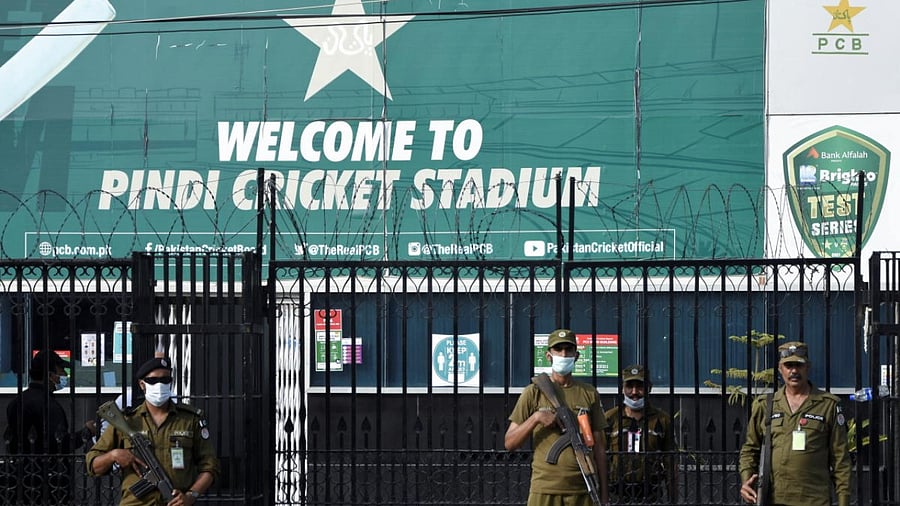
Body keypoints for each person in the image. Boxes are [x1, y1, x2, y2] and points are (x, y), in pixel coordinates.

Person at [86, 356, 220, 505]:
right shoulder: (127, 421)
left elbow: (210, 466)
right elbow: (93, 465)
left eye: (165, 380)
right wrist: (113, 455)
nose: (159, 385)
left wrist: (190, 495)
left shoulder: (189, 420)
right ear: (142, 384)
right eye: (153, 380)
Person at [505, 329, 609, 506]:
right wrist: (536, 418)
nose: (563, 354)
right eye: (558, 350)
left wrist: (605, 495)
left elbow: (599, 447)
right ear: (548, 355)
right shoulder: (534, 392)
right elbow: (509, 443)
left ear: (576, 356)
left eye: (568, 350)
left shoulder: (589, 393)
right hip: (544, 488)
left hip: (581, 488)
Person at [739, 341, 851, 506]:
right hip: (774, 499)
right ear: (780, 369)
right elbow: (750, 449)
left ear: (807, 367)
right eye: (788, 365)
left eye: (799, 365)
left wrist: (843, 502)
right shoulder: (765, 405)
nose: (793, 371)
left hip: (815, 500)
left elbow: (841, 460)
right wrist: (747, 480)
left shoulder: (828, 405)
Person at [3, 350, 75, 504]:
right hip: (49, 482)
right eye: (61, 370)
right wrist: (87, 432)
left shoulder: (17, 401)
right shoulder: (49, 405)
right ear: (50, 375)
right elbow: (60, 444)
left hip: (21, 477)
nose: (64, 375)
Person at [604, 364, 677, 504]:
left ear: (649, 388)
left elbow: (670, 460)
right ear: (623, 388)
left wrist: (673, 498)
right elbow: (600, 457)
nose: (634, 392)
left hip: (651, 493)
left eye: (640, 387)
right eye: (629, 386)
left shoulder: (662, 419)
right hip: (617, 493)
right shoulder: (610, 419)